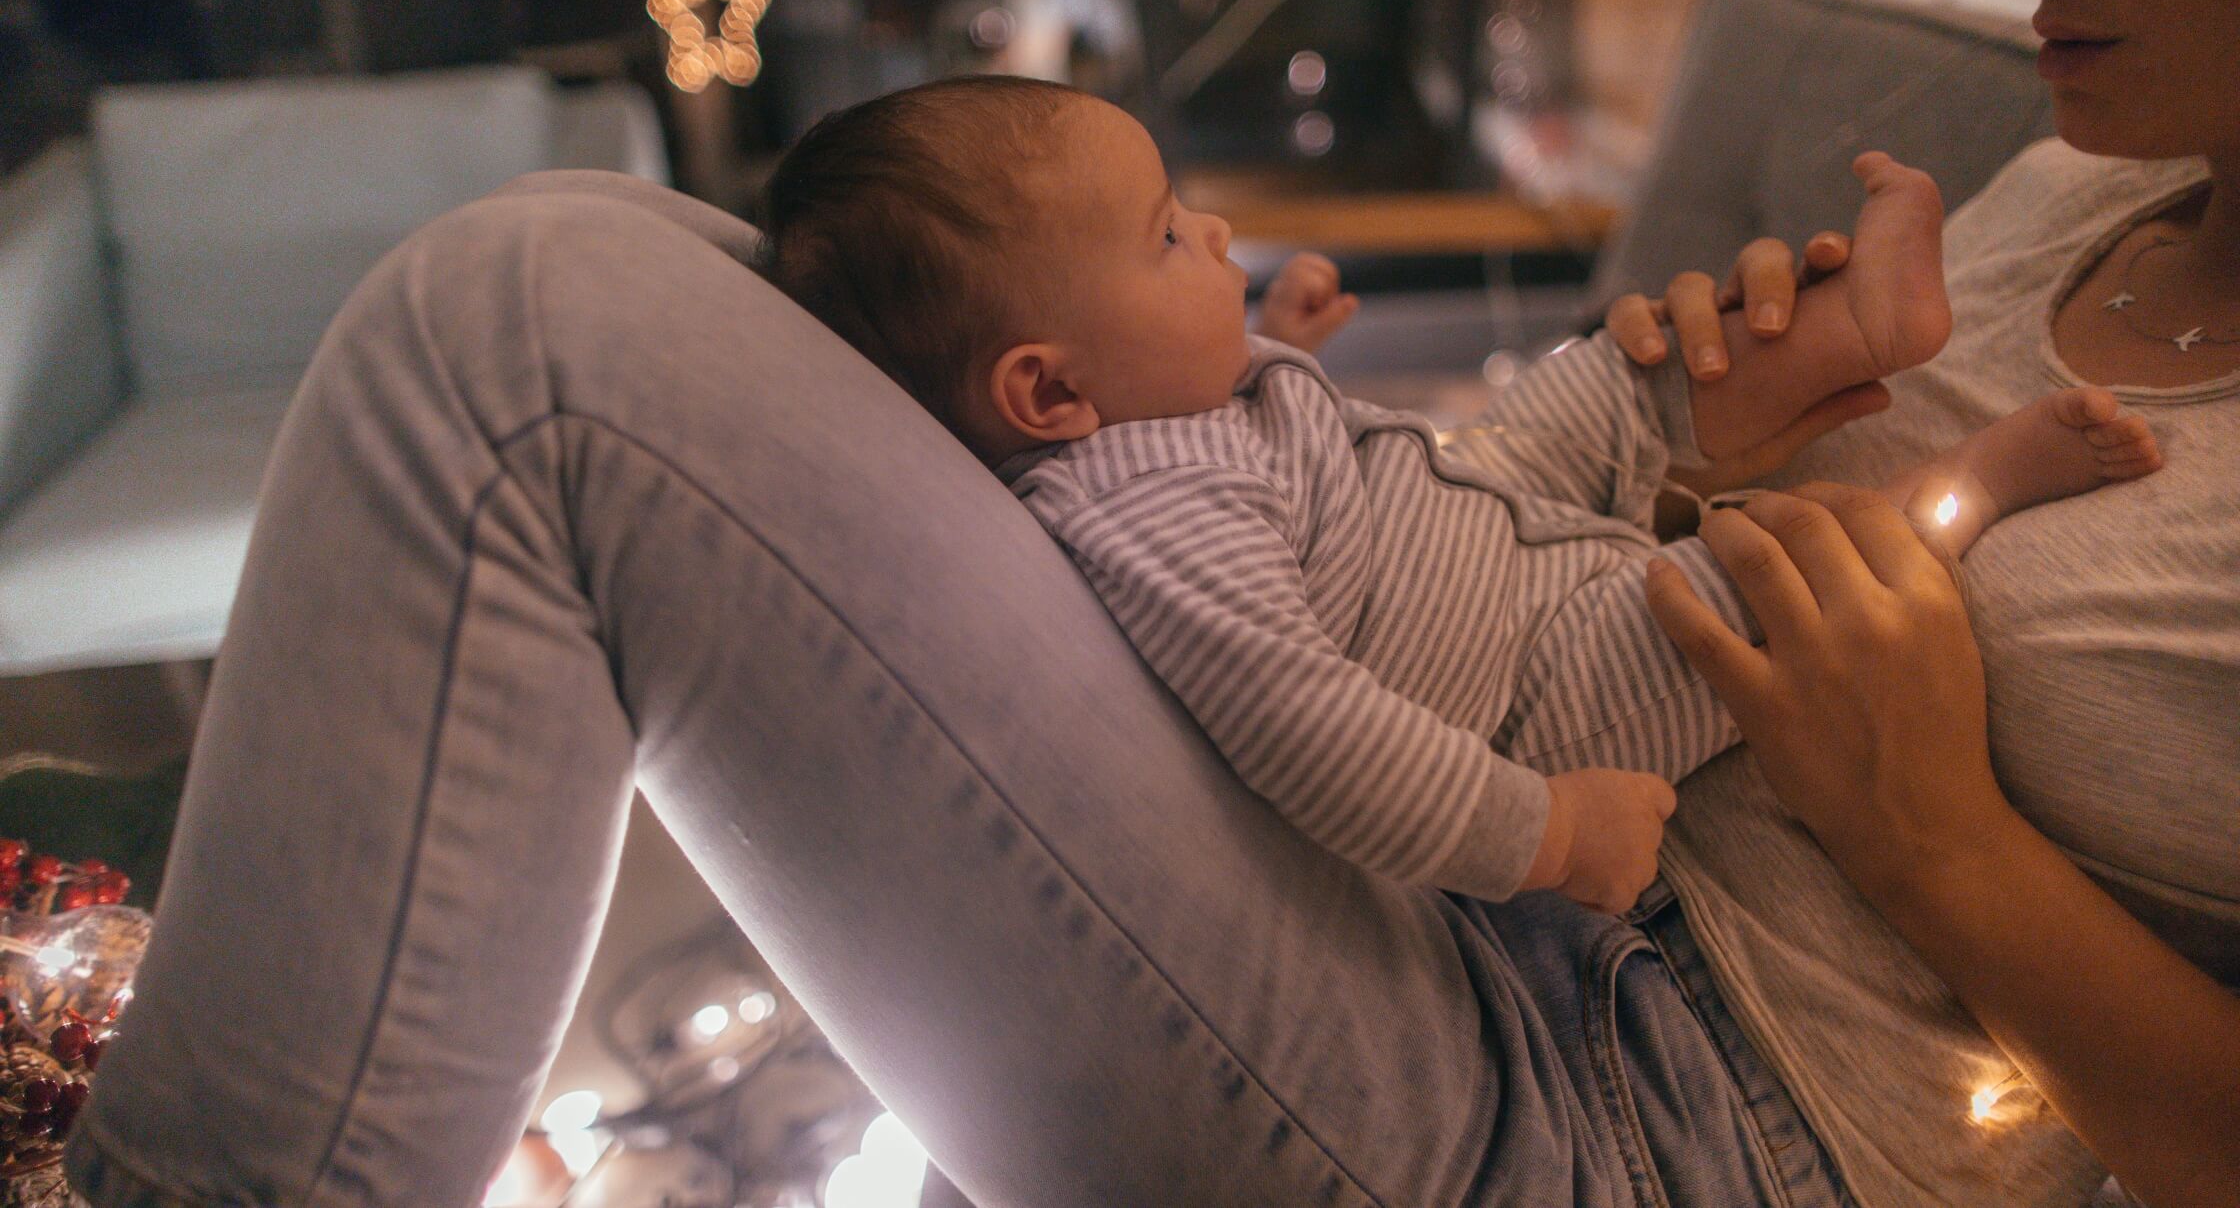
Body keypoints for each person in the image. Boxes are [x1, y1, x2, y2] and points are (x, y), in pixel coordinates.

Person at [63, 0, 2239, 1206]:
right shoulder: (2075, 178)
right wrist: (1718, 448)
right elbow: (1661, 607)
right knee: (617, 257)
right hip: (1477, 858)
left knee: (528, 334)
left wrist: (1934, 834)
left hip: (1656, 1120)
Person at [761, 75, 2156, 917]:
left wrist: (1276, 350)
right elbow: (1308, 732)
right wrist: (1544, 835)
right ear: (1050, 397)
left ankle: (1868, 327)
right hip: (1530, 693)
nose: (1218, 234)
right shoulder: (1144, 521)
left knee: (1613, 372)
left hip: (1467, 512)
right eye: (1168, 238)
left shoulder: (1141, 421)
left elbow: (1250, 464)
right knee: (1766, 586)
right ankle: (1966, 484)